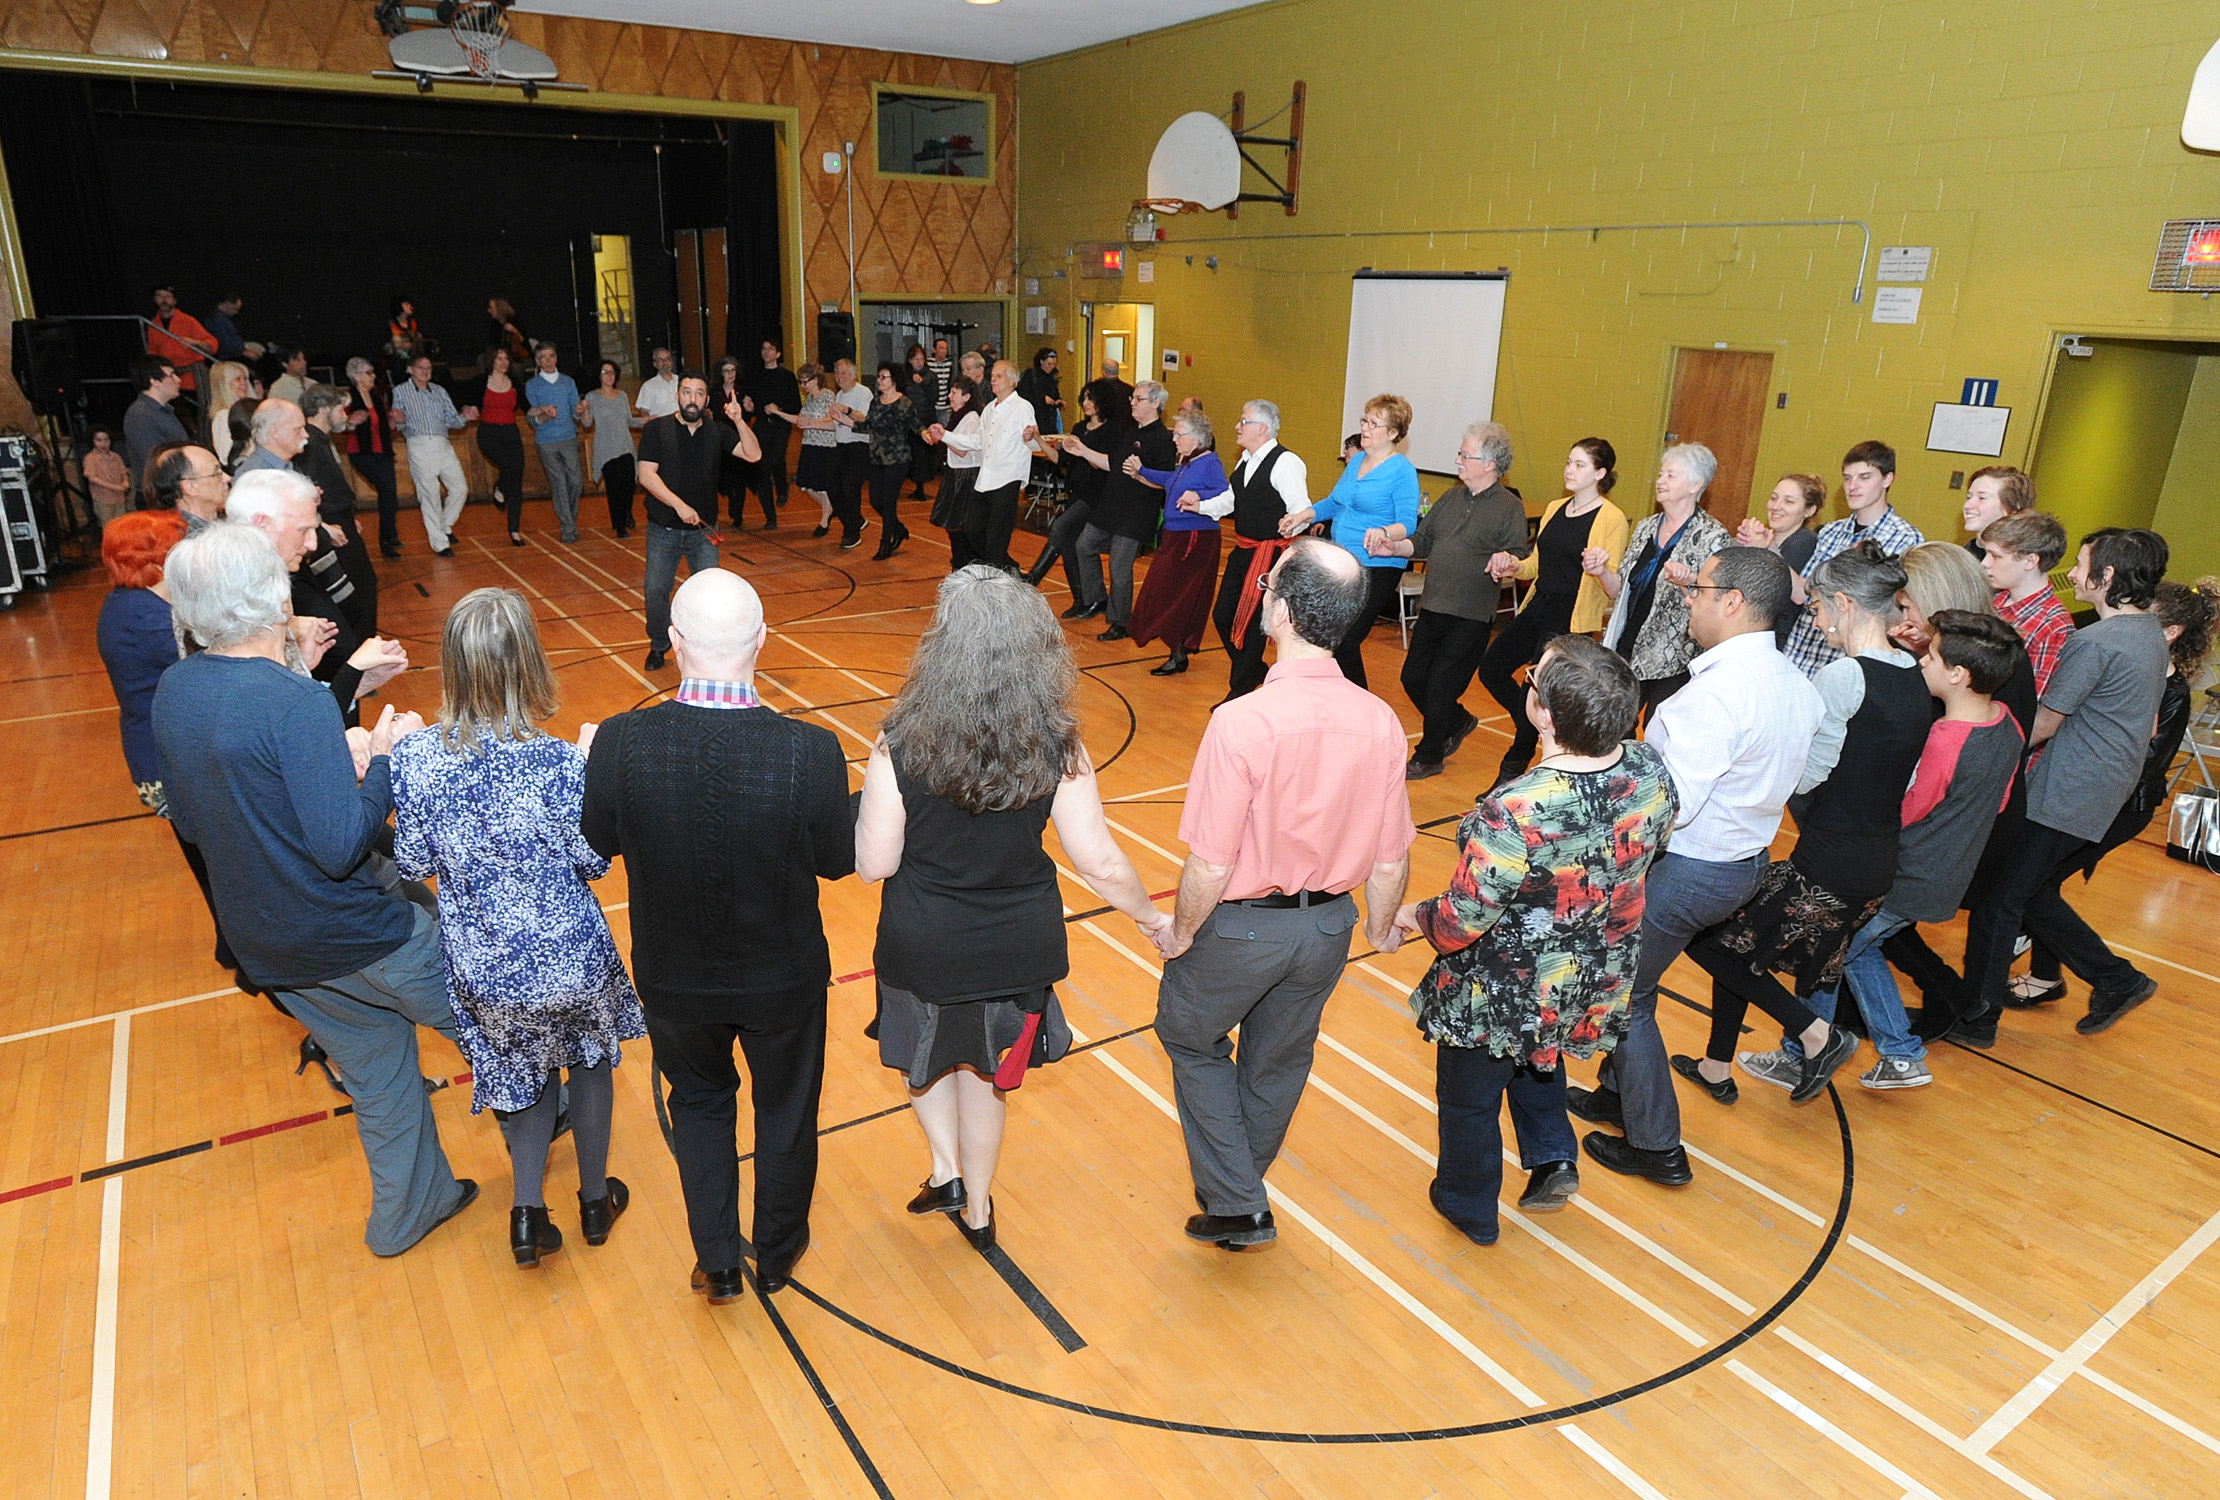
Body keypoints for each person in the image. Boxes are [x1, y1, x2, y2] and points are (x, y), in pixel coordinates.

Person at [153, 523, 475, 1256]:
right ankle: (552, 1123)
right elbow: (338, 849)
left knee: (380, 1074)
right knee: (497, 1024)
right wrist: (382, 760)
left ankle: (411, 1211)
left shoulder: (175, 689)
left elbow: (194, 823)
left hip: (271, 948)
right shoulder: (292, 700)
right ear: (273, 596)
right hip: (359, 935)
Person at [856, 567, 1170, 1250]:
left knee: (925, 1061)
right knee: (985, 1078)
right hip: (1016, 946)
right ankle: (976, 1207)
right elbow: (1100, 861)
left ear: (940, 646)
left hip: (924, 941)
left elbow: (875, 864)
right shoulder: (1058, 744)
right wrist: (1152, 919)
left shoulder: (897, 742)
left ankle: (945, 1168)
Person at [581, 568, 853, 1300]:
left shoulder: (620, 741)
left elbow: (598, 840)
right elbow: (838, 859)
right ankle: (779, 1252)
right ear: (763, 639)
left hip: (674, 979)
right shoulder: (811, 752)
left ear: (673, 642)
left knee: (699, 1103)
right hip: (783, 980)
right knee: (786, 1110)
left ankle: (718, 1260)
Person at [1155, 540, 1417, 1247]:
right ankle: (1238, 1188)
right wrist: (1379, 930)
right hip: (1328, 929)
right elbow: (1391, 856)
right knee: (1278, 1060)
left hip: (1242, 930)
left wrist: (1181, 933)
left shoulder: (1242, 721)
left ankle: (1239, 1200)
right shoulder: (1381, 720)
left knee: (1188, 1035)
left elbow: (1211, 863)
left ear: (1282, 612)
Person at [392, 589, 646, 1269]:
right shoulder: (560, 761)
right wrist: (592, 775)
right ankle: (594, 1203)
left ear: (453, 664)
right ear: (528, 662)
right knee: (589, 1064)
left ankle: (527, 1216)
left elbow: (413, 861)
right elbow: (592, 861)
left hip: (486, 968)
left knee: (520, 1075)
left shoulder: (414, 759)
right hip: (571, 958)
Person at [1396, 637, 1676, 1244]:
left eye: (1531, 679)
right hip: (1595, 968)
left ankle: (1469, 1205)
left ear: (1543, 715)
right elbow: (1653, 845)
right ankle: (1552, 1156)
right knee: (1540, 1050)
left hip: (1505, 986)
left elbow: (1460, 922)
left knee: (1470, 1097)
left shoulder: (1514, 809)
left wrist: (1412, 915)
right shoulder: (1647, 767)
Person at [1572, 548, 1822, 1187]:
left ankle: (1657, 1146)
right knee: (1639, 980)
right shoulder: (1794, 682)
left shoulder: (1714, 697)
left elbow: (1670, 808)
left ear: (1732, 601)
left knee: (1624, 994)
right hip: (1743, 861)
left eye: (1699, 589)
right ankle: (1618, 1095)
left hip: (1689, 869)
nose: (1687, 597)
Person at [1682, 543, 1931, 1103]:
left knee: (1710, 940)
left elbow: (1808, 773)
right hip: (1876, 857)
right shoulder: (1914, 673)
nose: (1816, 621)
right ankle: (1717, 1067)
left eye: (1817, 608)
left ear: (1845, 604)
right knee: (1739, 943)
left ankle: (1818, 1035)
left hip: (1831, 860)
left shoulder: (1845, 675)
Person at [1780, 611, 2026, 1091]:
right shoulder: (2006, 723)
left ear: (1958, 674)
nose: (1922, 663)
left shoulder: (1945, 740)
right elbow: (1998, 801)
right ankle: (1900, 1055)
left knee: (1829, 951)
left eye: (1931, 656)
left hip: (1909, 873)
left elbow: (1909, 809)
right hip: (1949, 872)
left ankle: (1802, 1054)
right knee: (1856, 951)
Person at [1954, 529, 2174, 1043]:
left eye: (2081, 564)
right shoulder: (2148, 632)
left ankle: (1978, 1020)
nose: (2072, 573)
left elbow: (2046, 721)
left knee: (1997, 903)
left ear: (2107, 575)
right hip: (2103, 790)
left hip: (2066, 792)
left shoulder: (2096, 641)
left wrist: (1976, 749)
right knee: (2031, 894)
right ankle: (2118, 980)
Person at [2012, 579, 2216, 1006]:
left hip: (2120, 808)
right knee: (2036, 889)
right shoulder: (2132, 666)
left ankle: (2115, 979)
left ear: (2170, 632)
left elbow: (2146, 761)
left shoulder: (2172, 691)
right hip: (2096, 800)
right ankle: (2054, 977)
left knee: (2030, 890)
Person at [96, 510, 236, 964]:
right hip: (168, 762)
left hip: (166, 753)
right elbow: (218, 661)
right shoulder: (144, 617)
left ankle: (235, 949)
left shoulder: (135, 604)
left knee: (216, 861)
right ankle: (240, 953)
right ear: (158, 562)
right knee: (219, 863)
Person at [1366, 422, 1531, 777]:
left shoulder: (1509, 508)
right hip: (1433, 606)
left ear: (1490, 464)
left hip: (1470, 615)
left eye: (1464, 455)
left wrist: (1506, 560)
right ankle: (1455, 721)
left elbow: (1517, 555)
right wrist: (1394, 547)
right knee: (1413, 678)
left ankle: (1429, 755)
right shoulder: (1452, 498)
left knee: (1441, 686)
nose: (1457, 461)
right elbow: (1422, 541)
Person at [1474, 438, 1630, 782]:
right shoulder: (1556, 507)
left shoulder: (1612, 518)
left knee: (1535, 691)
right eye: (1568, 462)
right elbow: (1536, 564)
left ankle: (1511, 770)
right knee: (1492, 668)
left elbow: (1615, 588)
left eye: (1579, 465)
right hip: (1539, 606)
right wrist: (1513, 565)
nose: (1569, 470)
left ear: (1599, 474)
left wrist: (1599, 569)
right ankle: (1535, 724)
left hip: (1570, 618)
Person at [226, 469, 409, 725]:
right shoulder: (236, 601)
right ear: (262, 524)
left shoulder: (269, 582)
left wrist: (354, 681)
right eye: (303, 531)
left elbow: (292, 706)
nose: (312, 544)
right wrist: (352, 669)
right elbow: (279, 723)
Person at [1277, 395, 1421, 688]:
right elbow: (1335, 502)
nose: (1365, 428)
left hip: (1377, 565)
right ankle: (1337, 696)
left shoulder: (1402, 471)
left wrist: (1384, 532)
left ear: (1392, 433)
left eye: (1374, 424)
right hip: (1343, 562)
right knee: (1330, 636)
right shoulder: (1356, 462)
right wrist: (1303, 515)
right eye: (1365, 420)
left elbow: (1408, 523)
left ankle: (1358, 700)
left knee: (1346, 638)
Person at [1597, 443, 1732, 719]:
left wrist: (1689, 580)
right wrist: (1600, 570)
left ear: (1695, 485)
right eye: (1661, 474)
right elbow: (1618, 591)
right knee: (1611, 726)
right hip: (1627, 647)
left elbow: (1715, 601)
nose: (1660, 481)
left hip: (1675, 659)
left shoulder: (1712, 536)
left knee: (1659, 734)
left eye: (1671, 475)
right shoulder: (1646, 527)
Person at [637, 372, 760, 672]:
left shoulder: (717, 431)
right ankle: (659, 643)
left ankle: (706, 649)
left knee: (708, 594)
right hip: (664, 528)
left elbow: (753, 454)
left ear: (706, 400)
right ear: (677, 395)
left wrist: (739, 421)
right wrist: (679, 505)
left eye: (699, 393)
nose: (692, 399)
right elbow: (646, 475)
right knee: (656, 590)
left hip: (703, 532)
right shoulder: (657, 430)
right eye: (687, 392)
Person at [1782, 440, 1925, 676]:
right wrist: (1769, 549)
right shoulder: (1830, 531)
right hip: (1802, 653)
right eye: (1847, 478)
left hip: (1847, 664)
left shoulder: (1906, 538)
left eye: (1864, 477)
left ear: (1887, 479)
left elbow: (1895, 613)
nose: (1853, 486)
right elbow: (1805, 593)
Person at [1200, 398, 1311, 699]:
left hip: (1269, 556)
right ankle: (1254, 671)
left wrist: (1292, 524)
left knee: (1252, 624)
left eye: (1243, 421)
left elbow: (1301, 508)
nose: (1237, 426)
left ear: (1262, 428)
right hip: (1244, 551)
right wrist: (1200, 506)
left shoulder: (1286, 462)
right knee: (1223, 615)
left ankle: (1239, 691)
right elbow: (1231, 500)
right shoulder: (1246, 460)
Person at [1073, 382, 1178, 641]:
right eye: (1132, 398)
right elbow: (1112, 463)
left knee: (1119, 566)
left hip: (1136, 513)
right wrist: (1083, 451)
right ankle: (1098, 598)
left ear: (1155, 403)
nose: (1132, 402)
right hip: (1111, 506)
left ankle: (1121, 621)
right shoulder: (1130, 432)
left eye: (1138, 399)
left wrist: (1141, 474)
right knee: (1084, 545)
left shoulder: (1163, 439)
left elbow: (1167, 481)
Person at [1126, 409, 1229, 674]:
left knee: (1180, 596)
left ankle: (1178, 651)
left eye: (1179, 435)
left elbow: (1224, 496)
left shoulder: (1210, 463)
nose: (1174, 439)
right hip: (1175, 536)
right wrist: (1141, 471)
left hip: (1194, 539)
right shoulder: (1187, 463)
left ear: (1196, 438)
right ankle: (1177, 650)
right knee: (1164, 591)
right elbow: (1168, 480)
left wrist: (1199, 497)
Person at [933, 360, 1037, 572]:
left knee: (996, 537)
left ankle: (997, 576)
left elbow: (1033, 443)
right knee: (971, 527)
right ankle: (1006, 567)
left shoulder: (1022, 407)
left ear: (1012, 381)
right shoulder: (989, 409)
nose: (993, 380)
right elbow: (976, 442)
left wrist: (1031, 436)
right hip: (985, 480)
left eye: (999, 376)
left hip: (1008, 478)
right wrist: (945, 435)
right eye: (992, 376)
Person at [1029, 387, 1125, 608]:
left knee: (1060, 526)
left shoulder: (1112, 429)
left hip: (1096, 495)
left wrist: (1081, 448)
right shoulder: (1080, 428)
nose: (1086, 403)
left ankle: (1033, 578)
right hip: (1077, 493)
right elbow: (1058, 458)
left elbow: (1103, 464)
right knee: (1068, 544)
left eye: (1092, 398)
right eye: (1085, 398)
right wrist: (1038, 438)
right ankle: (1082, 599)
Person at [299, 385, 379, 635]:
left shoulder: (319, 441)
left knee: (359, 586)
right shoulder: (311, 444)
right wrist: (323, 526)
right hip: (330, 523)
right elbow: (306, 489)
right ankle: (361, 644)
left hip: (338, 519)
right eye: (340, 409)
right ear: (324, 409)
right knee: (360, 587)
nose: (344, 415)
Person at [1979, 510, 2075, 693]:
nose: (1985, 563)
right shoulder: (1994, 600)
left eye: (1996, 556)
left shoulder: (2054, 627)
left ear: (2030, 561)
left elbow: (2032, 697)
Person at [393, 355, 477, 557]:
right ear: (411, 369)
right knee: (430, 495)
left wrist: (465, 417)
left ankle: (444, 525)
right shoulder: (400, 391)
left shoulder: (439, 391)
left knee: (460, 488)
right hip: (419, 444)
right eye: (421, 367)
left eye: (429, 368)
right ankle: (440, 543)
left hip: (443, 444)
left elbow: (453, 421)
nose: (425, 372)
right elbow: (399, 423)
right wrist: (399, 420)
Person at [853, 361, 930, 558]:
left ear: (893, 380)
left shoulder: (904, 403)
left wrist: (924, 434)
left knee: (888, 502)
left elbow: (916, 424)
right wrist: (844, 418)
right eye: (878, 377)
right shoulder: (876, 402)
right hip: (877, 458)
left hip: (898, 459)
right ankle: (899, 529)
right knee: (875, 500)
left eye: (883, 377)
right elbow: (868, 425)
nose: (879, 380)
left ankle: (885, 544)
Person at [342, 357, 404, 557]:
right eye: (369, 373)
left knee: (390, 495)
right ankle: (387, 539)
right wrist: (351, 422)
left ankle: (389, 538)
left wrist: (394, 421)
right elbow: (340, 426)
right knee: (386, 490)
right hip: (361, 453)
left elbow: (385, 427)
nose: (373, 376)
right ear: (356, 376)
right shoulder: (347, 399)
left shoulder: (377, 398)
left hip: (383, 452)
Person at [770, 363, 838, 537]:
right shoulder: (809, 399)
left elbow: (832, 421)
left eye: (805, 382)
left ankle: (824, 520)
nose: (803, 386)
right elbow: (800, 419)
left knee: (822, 486)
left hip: (825, 446)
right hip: (809, 444)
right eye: (801, 382)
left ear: (816, 379)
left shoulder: (829, 396)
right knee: (806, 484)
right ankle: (831, 508)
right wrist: (778, 413)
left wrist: (811, 423)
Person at [526, 345, 585, 545]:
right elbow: (532, 418)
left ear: (556, 358)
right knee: (559, 483)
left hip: (568, 437)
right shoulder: (532, 385)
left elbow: (576, 413)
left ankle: (570, 519)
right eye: (543, 357)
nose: (548, 360)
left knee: (576, 481)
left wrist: (580, 410)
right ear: (537, 361)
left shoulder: (568, 382)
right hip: (546, 441)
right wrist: (544, 414)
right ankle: (568, 527)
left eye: (551, 356)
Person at [472, 347, 529, 546]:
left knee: (516, 480)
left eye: (506, 358)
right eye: (499, 358)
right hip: (489, 433)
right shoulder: (480, 382)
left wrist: (542, 410)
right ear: (491, 361)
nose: (504, 362)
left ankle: (514, 530)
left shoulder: (515, 383)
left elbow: (527, 407)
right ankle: (500, 487)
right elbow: (469, 403)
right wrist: (468, 409)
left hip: (511, 433)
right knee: (509, 465)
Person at [580, 359, 641, 538]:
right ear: (599, 376)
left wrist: (647, 421)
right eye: (605, 372)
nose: (609, 375)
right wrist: (584, 410)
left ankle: (627, 513)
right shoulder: (592, 396)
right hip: (606, 448)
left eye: (612, 372)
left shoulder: (622, 395)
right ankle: (619, 525)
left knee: (629, 485)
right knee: (614, 489)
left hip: (625, 445)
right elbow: (587, 424)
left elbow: (629, 420)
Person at [928, 374, 983, 565]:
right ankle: (960, 563)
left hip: (965, 476)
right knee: (954, 524)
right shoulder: (958, 416)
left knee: (959, 524)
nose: (949, 396)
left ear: (966, 397)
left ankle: (964, 563)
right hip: (956, 473)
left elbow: (962, 450)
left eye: (954, 392)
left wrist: (943, 436)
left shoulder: (971, 418)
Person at [746, 337, 801, 521]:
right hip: (762, 424)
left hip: (781, 424)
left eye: (770, 348)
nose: (766, 352)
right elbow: (750, 400)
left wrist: (779, 409)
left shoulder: (787, 376)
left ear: (778, 353)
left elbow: (795, 405)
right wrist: (749, 405)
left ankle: (782, 487)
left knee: (776, 459)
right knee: (761, 467)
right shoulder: (755, 375)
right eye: (764, 348)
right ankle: (770, 516)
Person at [1735, 472, 1827, 574]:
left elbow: (1775, 580)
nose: (1775, 507)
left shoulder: (1805, 543)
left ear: (1809, 511)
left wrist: (1758, 552)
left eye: (1789, 501)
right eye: (1773, 498)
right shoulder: (1766, 537)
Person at [828, 358, 875, 550]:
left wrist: (846, 410)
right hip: (841, 445)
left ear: (853, 375)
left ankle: (852, 533)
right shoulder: (839, 394)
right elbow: (835, 423)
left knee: (850, 488)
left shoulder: (864, 393)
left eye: (844, 373)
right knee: (832, 487)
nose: (840, 377)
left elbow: (863, 418)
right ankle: (856, 519)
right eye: (837, 373)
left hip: (858, 446)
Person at [124, 357, 192, 486]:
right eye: (171, 375)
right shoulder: (140, 415)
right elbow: (157, 461)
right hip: (164, 491)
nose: (178, 380)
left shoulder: (162, 410)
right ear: (154, 381)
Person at [147, 286, 216, 404]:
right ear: (154, 300)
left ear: (175, 301)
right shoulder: (153, 325)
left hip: (192, 378)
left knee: (202, 407)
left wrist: (195, 342)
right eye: (159, 296)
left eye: (167, 297)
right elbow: (152, 352)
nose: (163, 300)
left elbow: (212, 345)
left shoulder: (188, 321)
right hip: (168, 378)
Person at [145, 442, 229, 534]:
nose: (227, 478)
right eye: (217, 473)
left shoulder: (216, 525)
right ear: (190, 487)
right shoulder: (184, 537)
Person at [1959, 465, 2036, 559]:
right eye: (1969, 497)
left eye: (1982, 498)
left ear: (2012, 508)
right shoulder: (1966, 553)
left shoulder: (2020, 560)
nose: (1967, 506)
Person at [901, 343, 939, 497]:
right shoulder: (904, 376)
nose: (919, 362)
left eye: (922, 359)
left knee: (923, 454)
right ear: (910, 360)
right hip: (910, 419)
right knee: (912, 453)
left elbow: (934, 397)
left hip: (926, 418)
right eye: (916, 359)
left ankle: (921, 486)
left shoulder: (931, 376)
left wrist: (922, 383)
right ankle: (913, 483)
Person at [204, 361, 256, 468]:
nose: (244, 383)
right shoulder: (223, 416)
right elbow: (225, 456)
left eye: (245, 378)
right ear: (224, 385)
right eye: (238, 379)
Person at [84, 427, 131, 525]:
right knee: (108, 526)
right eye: (99, 440)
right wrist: (115, 487)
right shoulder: (90, 458)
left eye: (106, 440)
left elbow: (123, 472)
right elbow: (93, 478)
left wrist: (125, 481)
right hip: (103, 499)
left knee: (121, 525)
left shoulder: (116, 456)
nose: (103, 443)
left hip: (119, 498)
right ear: (92, 442)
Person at [1018, 347, 1063, 435]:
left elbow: (1055, 395)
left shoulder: (1052, 377)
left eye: (1054, 364)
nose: (1052, 367)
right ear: (1041, 362)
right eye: (1049, 364)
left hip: (1049, 420)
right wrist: (1042, 398)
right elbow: (1023, 394)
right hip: (1034, 417)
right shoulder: (1030, 375)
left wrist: (1058, 401)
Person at [384, 296, 425, 383]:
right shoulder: (391, 325)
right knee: (399, 365)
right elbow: (385, 347)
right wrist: (400, 345)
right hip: (398, 359)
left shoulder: (414, 323)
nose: (409, 306)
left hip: (414, 356)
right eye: (406, 304)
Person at [636, 346, 681, 421]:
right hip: (661, 425)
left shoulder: (681, 381)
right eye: (660, 360)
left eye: (667, 359)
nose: (665, 363)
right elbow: (644, 411)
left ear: (671, 361)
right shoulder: (648, 386)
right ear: (655, 364)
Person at [486, 298, 530, 369]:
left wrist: (514, 330)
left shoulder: (515, 321)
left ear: (499, 308)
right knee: (481, 359)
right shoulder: (494, 325)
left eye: (491, 308)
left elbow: (525, 343)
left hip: (521, 357)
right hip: (503, 356)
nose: (489, 310)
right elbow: (493, 344)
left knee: (515, 367)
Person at [206, 293, 248, 363]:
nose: (236, 312)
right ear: (227, 304)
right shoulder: (217, 320)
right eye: (235, 309)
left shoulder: (221, 319)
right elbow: (223, 343)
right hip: (227, 359)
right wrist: (242, 352)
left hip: (231, 356)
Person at [925, 336, 955, 430]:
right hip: (932, 406)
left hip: (945, 405)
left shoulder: (949, 363)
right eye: (941, 348)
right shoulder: (928, 363)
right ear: (934, 350)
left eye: (946, 348)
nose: (944, 351)